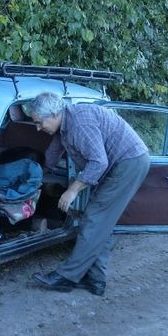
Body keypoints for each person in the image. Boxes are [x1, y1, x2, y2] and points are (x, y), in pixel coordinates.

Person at [27, 92, 150, 296]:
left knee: (94, 218)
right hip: (119, 164)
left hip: (128, 163)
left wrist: (72, 191)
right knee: (100, 224)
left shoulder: (79, 125)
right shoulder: (63, 126)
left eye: (40, 123)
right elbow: (53, 153)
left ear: (54, 114)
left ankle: (66, 277)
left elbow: (98, 162)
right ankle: (95, 280)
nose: (38, 128)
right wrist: (38, 176)